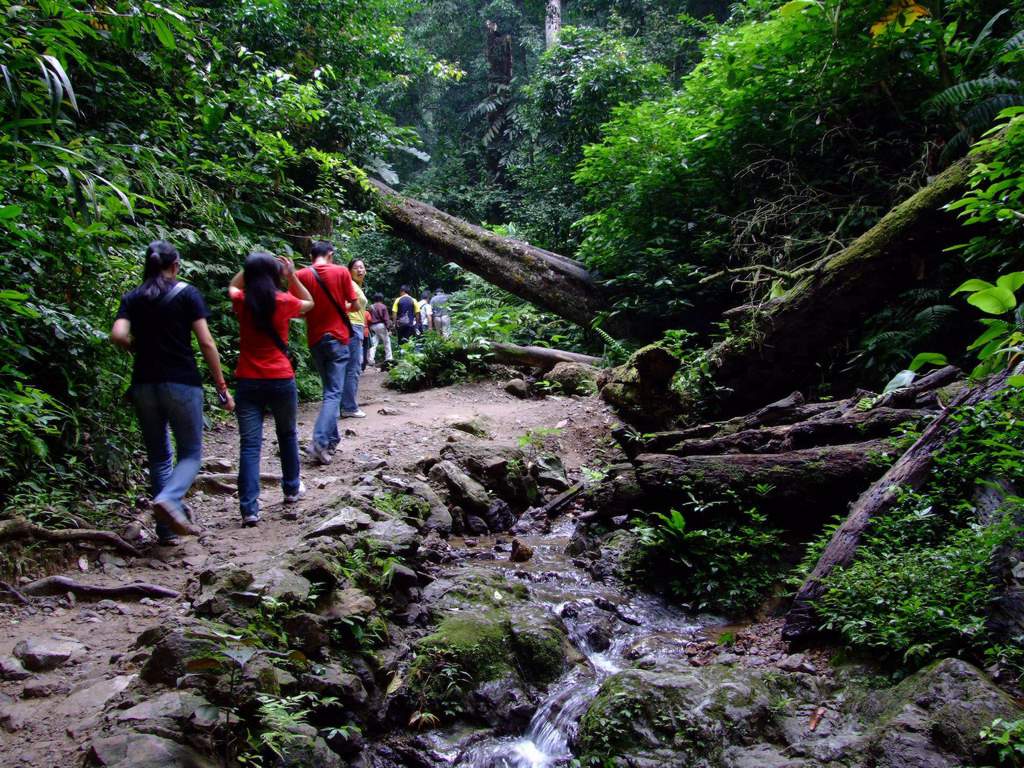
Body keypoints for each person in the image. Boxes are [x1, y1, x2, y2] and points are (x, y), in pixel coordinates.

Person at [110, 240, 234, 544]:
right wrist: (221, 386)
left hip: (144, 384)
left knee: (159, 456)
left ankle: (166, 531)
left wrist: (137, 347)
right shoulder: (187, 295)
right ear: (175, 266)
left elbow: (118, 334)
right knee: (190, 454)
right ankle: (171, 500)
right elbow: (206, 343)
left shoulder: (133, 298)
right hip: (181, 381)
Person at [229, 252, 314, 526]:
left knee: (250, 445)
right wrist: (290, 276)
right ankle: (291, 488)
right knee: (287, 434)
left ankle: (249, 509)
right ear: (274, 275)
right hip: (280, 378)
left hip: (248, 381)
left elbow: (232, 286)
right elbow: (309, 303)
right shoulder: (284, 300)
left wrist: (248, 268)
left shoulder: (243, 301)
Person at [295, 241, 357, 464]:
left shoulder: (300, 275)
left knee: (329, 390)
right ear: (330, 254)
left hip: (315, 340)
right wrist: (341, 307)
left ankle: (332, 440)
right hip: (338, 339)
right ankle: (320, 442)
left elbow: (299, 310)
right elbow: (355, 305)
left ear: (311, 255)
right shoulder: (341, 271)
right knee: (333, 393)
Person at [341, 258, 368, 418]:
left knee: (350, 368)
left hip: (355, 326)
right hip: (352, 326)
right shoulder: (350, 284)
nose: (360, 270)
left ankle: (345, 405)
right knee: (353, 368)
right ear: (349, 270)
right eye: (356, 267)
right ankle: (349, 407)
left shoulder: (356, 286)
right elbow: (343, 304)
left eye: (362, 267)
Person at [367, 292, 393, 368]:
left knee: (373, 344)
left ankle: (370, 360)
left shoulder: (370, 307)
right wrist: (389, 329)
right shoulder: (383, 307)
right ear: (382, 299)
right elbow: (386, 319)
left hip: (372, 326)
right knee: (386, 342)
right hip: (381, 326)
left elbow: (368, 317)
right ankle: (389, 358)